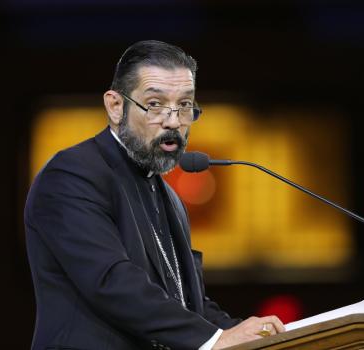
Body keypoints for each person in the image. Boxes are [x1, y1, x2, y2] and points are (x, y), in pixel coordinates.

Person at [24, 40, 285, 350]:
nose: (173, 122)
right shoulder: (72, 175)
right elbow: (111, 282)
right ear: (115, 106)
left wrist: (243, 332)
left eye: (185, 105)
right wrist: (215, 340)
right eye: (156, 104)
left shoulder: (170, 199)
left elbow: (185, 302)